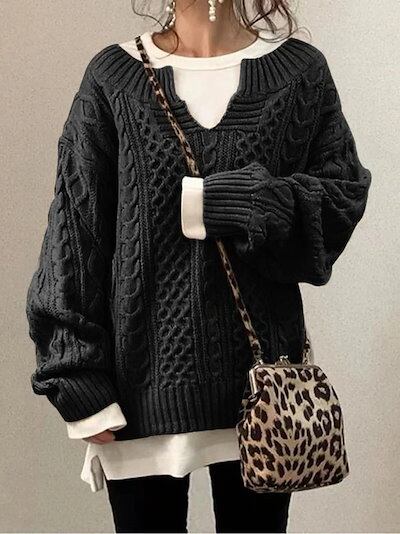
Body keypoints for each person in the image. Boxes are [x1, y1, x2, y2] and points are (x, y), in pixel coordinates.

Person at [25, 0, 372, 532]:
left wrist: (248, 202)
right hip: (139, 396)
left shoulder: (300, 73)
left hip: (264, 399)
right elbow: (74, 236)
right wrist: (75, 377)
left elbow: (341, 199)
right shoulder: (113, 78)